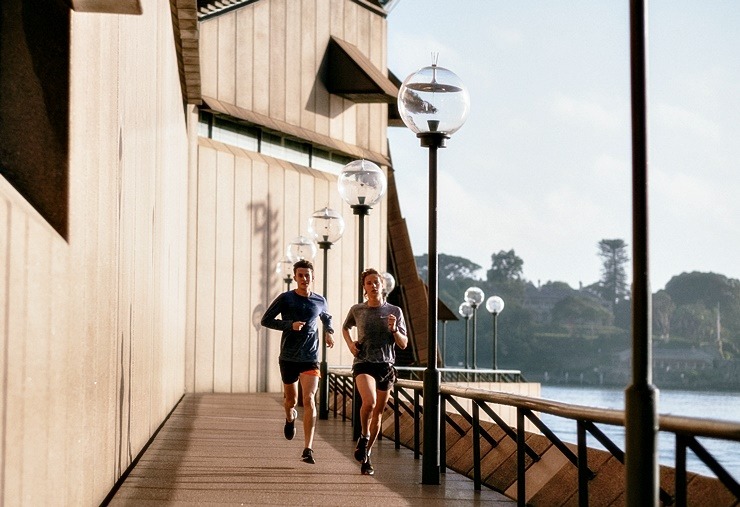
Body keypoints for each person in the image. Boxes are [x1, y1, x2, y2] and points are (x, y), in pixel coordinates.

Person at [260, 259, 334, 464]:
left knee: (309, 399)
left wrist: (329, 332)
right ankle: (290, 417)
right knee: (290, 400)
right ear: (295, 277)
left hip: (311, 358)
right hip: (289, 357)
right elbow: (265, 320)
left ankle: (308, 449)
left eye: (307, 275)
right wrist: (289, 325)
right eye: (300, 275)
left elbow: (326, 317)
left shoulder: (319, 300)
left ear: (312, 277)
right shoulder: (286, 299)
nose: (304, 279)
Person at [342, 268, 408, 475]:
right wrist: (351, 346)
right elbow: (345, 328)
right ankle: (363, 435)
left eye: (376, 282)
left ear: (382, 285)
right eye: (369, 283)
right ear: (364, 287)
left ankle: (367, 455)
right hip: (363, 363)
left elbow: (404, 344)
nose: (373, 286)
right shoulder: (357, 310)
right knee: (368, 402)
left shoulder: (394, 311)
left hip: (385, 366)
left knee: (378, 414)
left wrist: (395, 330)